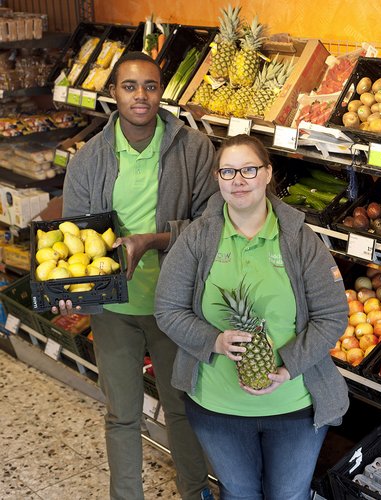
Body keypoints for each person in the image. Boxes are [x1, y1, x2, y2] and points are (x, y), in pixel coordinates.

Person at [155, 134, 350, 500]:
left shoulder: (298, 238)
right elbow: (167, 308)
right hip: (217, 406)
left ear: (267, 174)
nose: (238, 180)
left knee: (289, 496)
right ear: (217, 178)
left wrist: (289, 366)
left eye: (249, 169)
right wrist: (214, 340)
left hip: (295, 406)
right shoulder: (198, 237)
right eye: (228, 171)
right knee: (238, 493)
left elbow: (332, 314)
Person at [59, 52, 218, 500]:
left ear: (162, 91)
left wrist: (154, 239)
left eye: (150, 85)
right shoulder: (89, 159)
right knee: (122, 413)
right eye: (129, 86)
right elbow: (73, 233)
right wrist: (72, 292)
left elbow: (211, 224)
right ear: (113, 93)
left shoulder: (193, 148)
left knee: (182, 409)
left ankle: (195, 491)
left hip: (176, 306)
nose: (140, 96)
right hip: (114, 309)